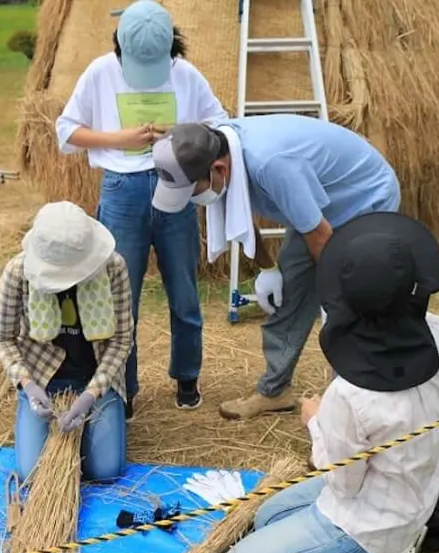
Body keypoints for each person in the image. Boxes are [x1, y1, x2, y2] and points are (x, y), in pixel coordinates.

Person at [218, 211, 439, 553]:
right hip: (414, 491)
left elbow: (343, 482)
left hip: (369, 524)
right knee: (266, 517)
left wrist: (315, 423)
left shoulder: (351, 395)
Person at [150, 114, 401, 420]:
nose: (192, 198)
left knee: (349, 312)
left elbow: (321, 237)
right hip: (317, 209)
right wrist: (268, 269)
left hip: (362, 200)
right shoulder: (219, 151)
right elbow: (238, 212)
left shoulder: (272, 164)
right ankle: (275, 391)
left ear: (218, 169)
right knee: (289, 293)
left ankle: (348, 412)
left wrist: (337, 296)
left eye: (192, 190)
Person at [55, 0, 229, 415]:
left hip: (176, 187)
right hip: (122, 191)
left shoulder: (185, 74)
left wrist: (182, 132)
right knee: (121, 297)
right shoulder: (100, 72)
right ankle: (124, 387)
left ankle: (187, 377)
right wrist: (120, 139)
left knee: (184, 292)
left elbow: (222, 124)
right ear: (119, 46)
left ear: (172, 46)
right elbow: (66, 131)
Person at [0, 201, 133, 483]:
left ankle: (96, 422)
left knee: (105, 472)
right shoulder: (18, 272)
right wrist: (29, 386)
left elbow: (120, 341)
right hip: (42, 379)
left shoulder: (113, 268)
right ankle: (46, 424)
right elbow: (3, 338)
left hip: (94, 378)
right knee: (31, 474)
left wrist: (90, 396)